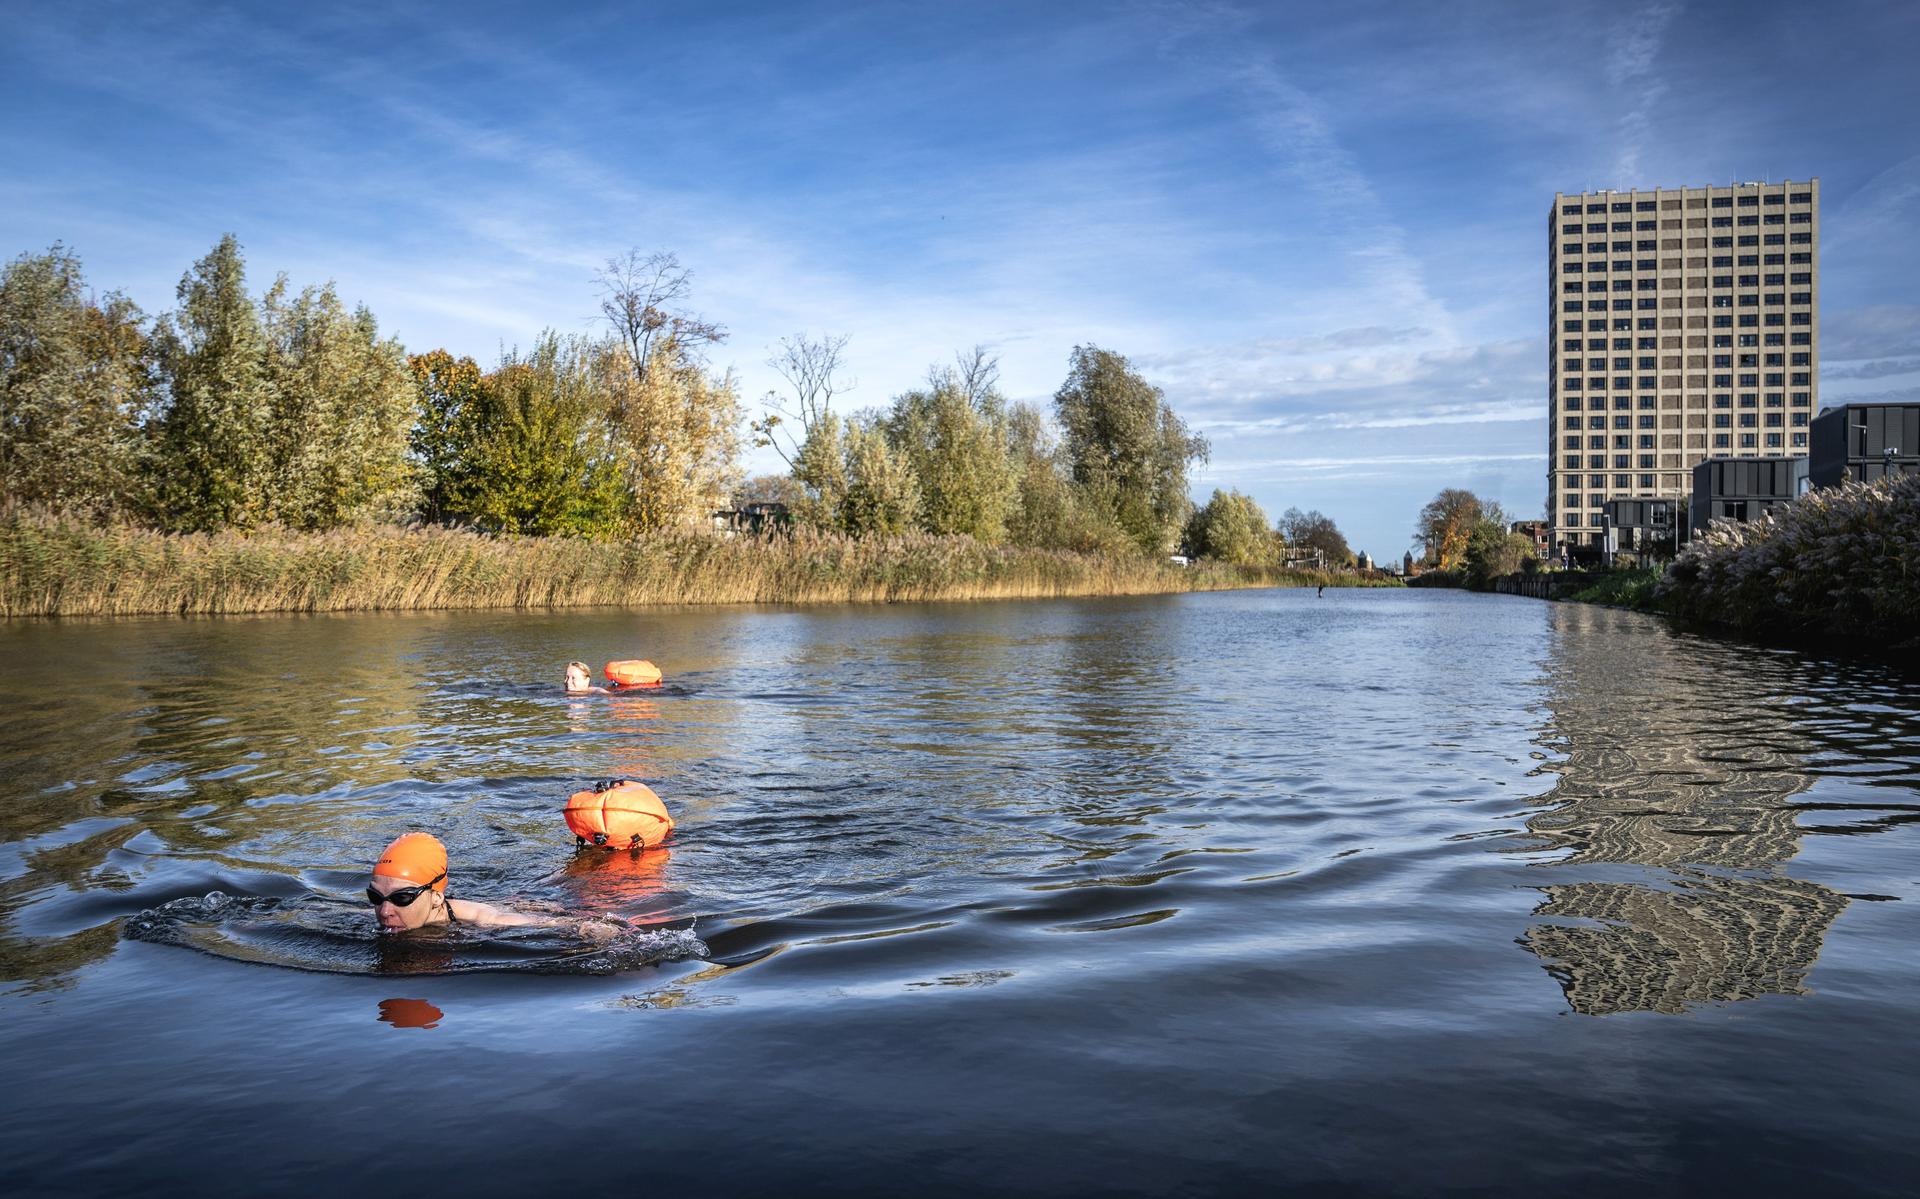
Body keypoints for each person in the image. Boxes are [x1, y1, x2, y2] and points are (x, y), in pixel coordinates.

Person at [367, 832, 629, 938]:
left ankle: (600, 853)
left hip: (522, 902)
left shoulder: (486, 919)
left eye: (402, 898)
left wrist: (588, 928)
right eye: (375, 898)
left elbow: (544, 923)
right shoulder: (389, 914)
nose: (384, 911)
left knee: (566, 878)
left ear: (436, 897)